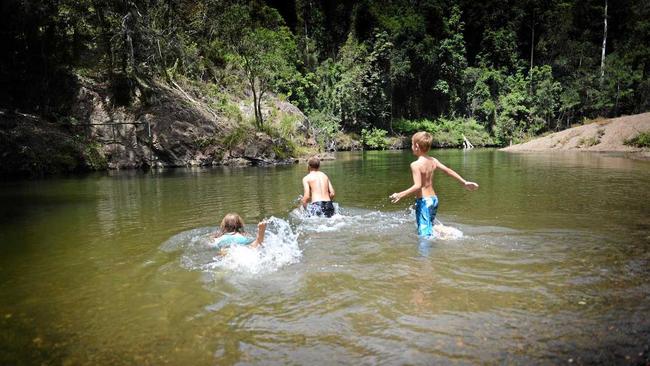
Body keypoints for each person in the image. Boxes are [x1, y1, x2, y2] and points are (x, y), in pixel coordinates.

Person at [390, 131, 479, 237]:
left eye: (412, 144)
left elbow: (417, 186)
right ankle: (446, 231)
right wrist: (464, 182)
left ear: (417, 146)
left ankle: (424, 252)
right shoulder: (433, 160)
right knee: (429, 225)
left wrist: (400, 194)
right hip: (433, 200)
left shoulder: (415, 165)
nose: (411, 147)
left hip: (424, 201)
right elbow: (448, 170)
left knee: (424, 235)